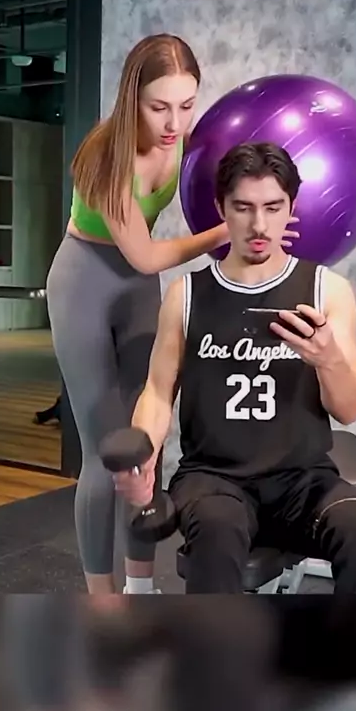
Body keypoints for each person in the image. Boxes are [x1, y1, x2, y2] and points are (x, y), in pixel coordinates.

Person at [115, 140, 356, 593]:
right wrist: (142, 454)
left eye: (273, 207)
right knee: (217, 533)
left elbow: (348, 409)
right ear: (221, 208)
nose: (259, 225)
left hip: (302, 480)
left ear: (292, 207)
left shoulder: (327, 291)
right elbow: (158, 392)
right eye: (243, 208)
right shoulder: (187, 294)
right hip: (212, 478)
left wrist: (328, 359)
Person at [46, 33, 231, 595]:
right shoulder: (108, 156)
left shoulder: (184, 138)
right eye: (159, 107)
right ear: (133, 99)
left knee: (145, 442)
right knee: (107, 453)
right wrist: (222, 234)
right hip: (83, 283)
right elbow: (145, 254)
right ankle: (102, 602)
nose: (174, 123)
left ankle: (141, 587)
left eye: (186, 104)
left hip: (137, 290)